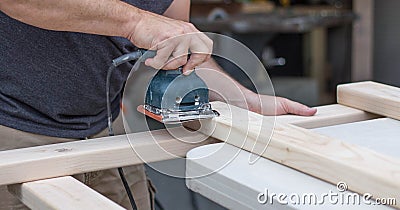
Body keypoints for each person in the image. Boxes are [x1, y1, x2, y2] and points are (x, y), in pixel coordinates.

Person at [0, 0, 317, 209]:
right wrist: (135, 22)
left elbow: (178, 44)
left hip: (106, 129)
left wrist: (238, 97)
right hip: (15, 132)